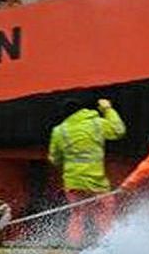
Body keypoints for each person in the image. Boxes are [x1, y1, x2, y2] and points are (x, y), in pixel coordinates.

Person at [47, 97, 125, 244]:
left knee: (77, 214)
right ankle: (108, 243)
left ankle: (73, 246)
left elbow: (54, 159)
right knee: (104, 212)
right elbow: (118, 131)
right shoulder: (96, 124)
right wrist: (108, 109)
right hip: (96, 181)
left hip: (73, 182)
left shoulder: (59, 131)